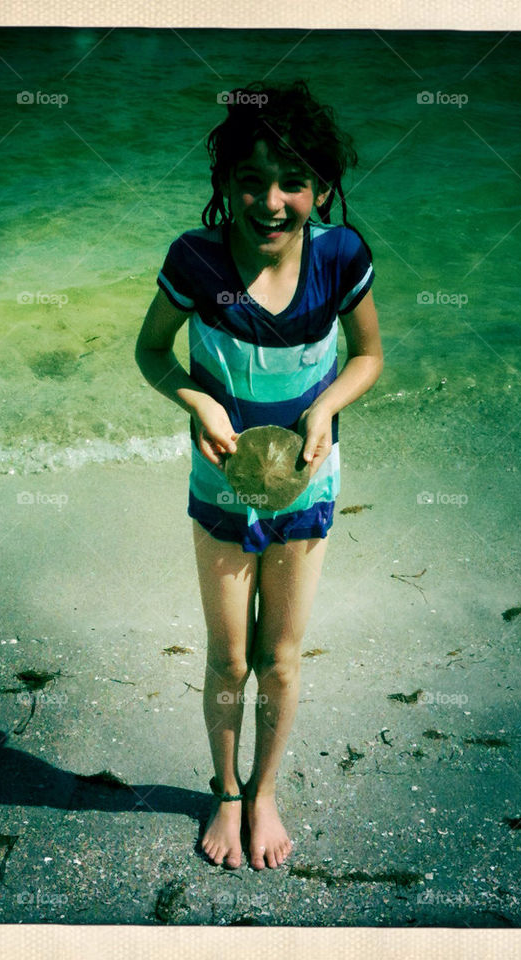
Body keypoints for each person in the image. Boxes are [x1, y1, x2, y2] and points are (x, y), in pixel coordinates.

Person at [135, 80, 383, 870]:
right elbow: (151, 353)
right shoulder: (197, 261)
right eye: (250, 180)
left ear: (319, 185)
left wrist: (324, 410)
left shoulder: (342, 257)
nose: (270, 200)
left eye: (292, 182)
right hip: (220, 486)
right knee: (227, 658)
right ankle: (226, 791)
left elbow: (368, 357)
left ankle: (266, 790)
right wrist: (199, 400)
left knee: (279, 656)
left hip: (308, 480)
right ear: (226, 185)